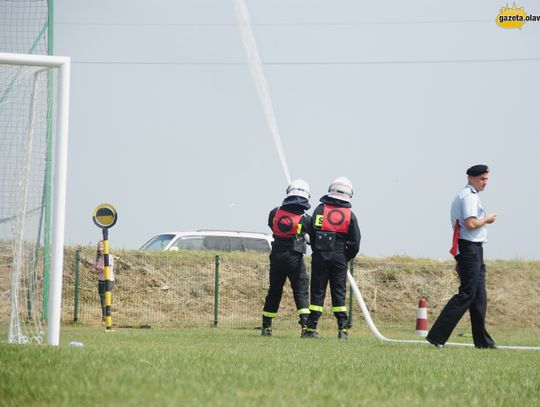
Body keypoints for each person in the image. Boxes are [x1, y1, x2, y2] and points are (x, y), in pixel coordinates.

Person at [426, 165, 497, 349]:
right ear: (472, 178)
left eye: (486, 178)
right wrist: (487, 219)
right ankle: (437, 336)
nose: (485, 182)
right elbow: (471, 224)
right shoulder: (469, 197)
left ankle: (483, 342)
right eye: (483, 178)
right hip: (470, 249)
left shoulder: (469, 195)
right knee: (466, 294)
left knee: (479, 297)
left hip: (472, 250)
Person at [302, 177, 361, 339]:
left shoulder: (320, 209)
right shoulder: (350, 215)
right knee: (339, 292)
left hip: (320, 256)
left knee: (317, 291)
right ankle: (342, 329)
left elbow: (312, 233)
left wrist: (317, 250)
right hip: (340, 257)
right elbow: (356, 242)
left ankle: (310, 328)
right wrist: (345, 257)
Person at [261, 179, 312, 336]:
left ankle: (266, 327)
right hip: (294, 257)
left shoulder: (274, 212)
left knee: (274, 290)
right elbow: (310, 237)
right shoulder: (305, 218)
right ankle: (305, 327)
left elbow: (273, 225)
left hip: (276, 255)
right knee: (301, 289)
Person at [92, 240, 115, 323]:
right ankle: (104, 317)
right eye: (99, 246)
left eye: (102, 246)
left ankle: (108, 317)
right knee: (102, 299)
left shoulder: (109, 257)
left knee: (106, 298)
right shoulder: (97, 258)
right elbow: (93, 269)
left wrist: (99, 268)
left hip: (109, 280)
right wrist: (100, 269)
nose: (100, 248)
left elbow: (107, 269)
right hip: (100, 280)